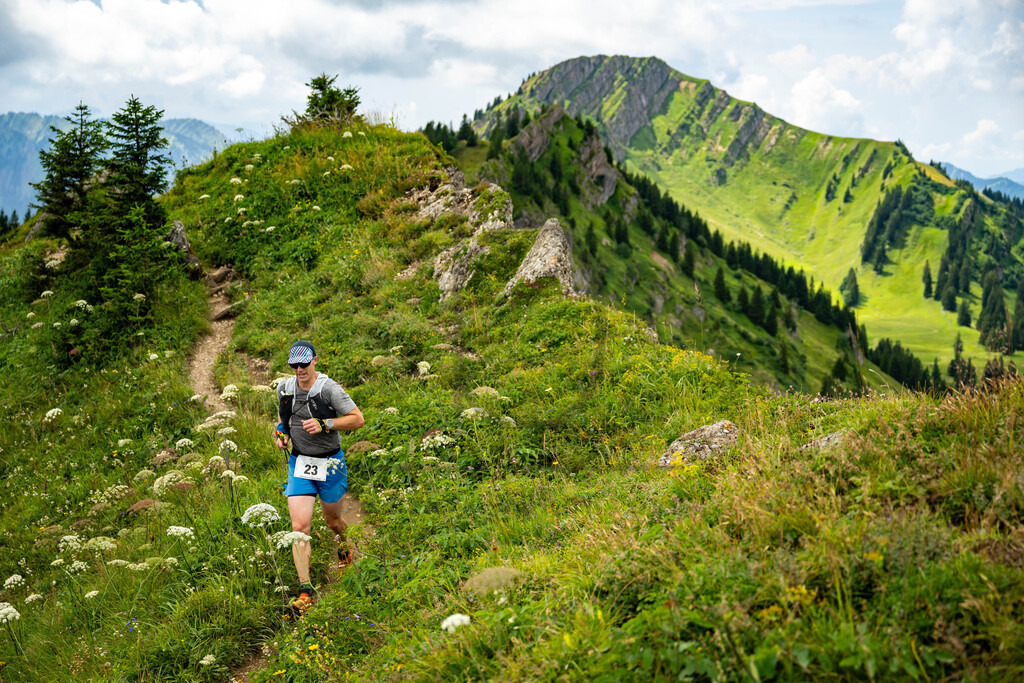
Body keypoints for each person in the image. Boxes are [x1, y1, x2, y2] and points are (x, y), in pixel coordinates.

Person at [274, 339, 364, 616]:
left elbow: (357, 419)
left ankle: (344, 547)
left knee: (332, 520)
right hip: (299, 462)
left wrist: (326, 423)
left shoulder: (328, 388)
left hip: (330, 462)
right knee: (299, 527)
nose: (299, 369)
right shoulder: (285, 388)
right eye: (294, 365)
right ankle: (305, 592)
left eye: (304, 363)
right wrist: (281, 434)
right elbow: (283, 420)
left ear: (315, 361)